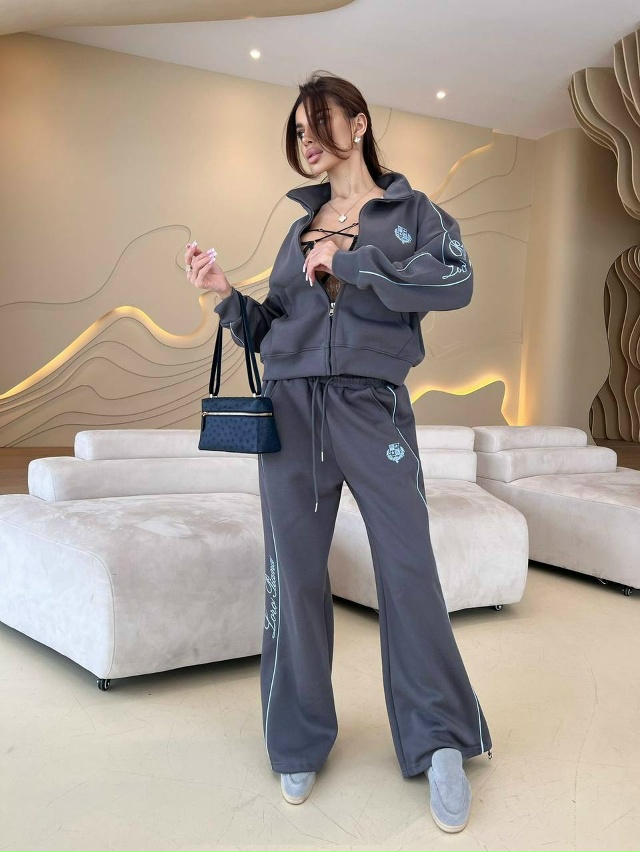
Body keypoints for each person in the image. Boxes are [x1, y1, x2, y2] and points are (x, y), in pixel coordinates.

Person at [184, 70, 492, 834]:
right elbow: (272, 329)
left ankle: (440, 740)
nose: (308, 140)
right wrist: (224, 295)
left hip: (371, 406)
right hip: (290, 411)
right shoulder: (299, 229)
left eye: (319, 122)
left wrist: (348, 263)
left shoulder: (414, 213)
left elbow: (455, 283)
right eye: (297, 131)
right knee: (291, 575)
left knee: (409, 571)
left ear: (358, 124)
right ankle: (298, 736)